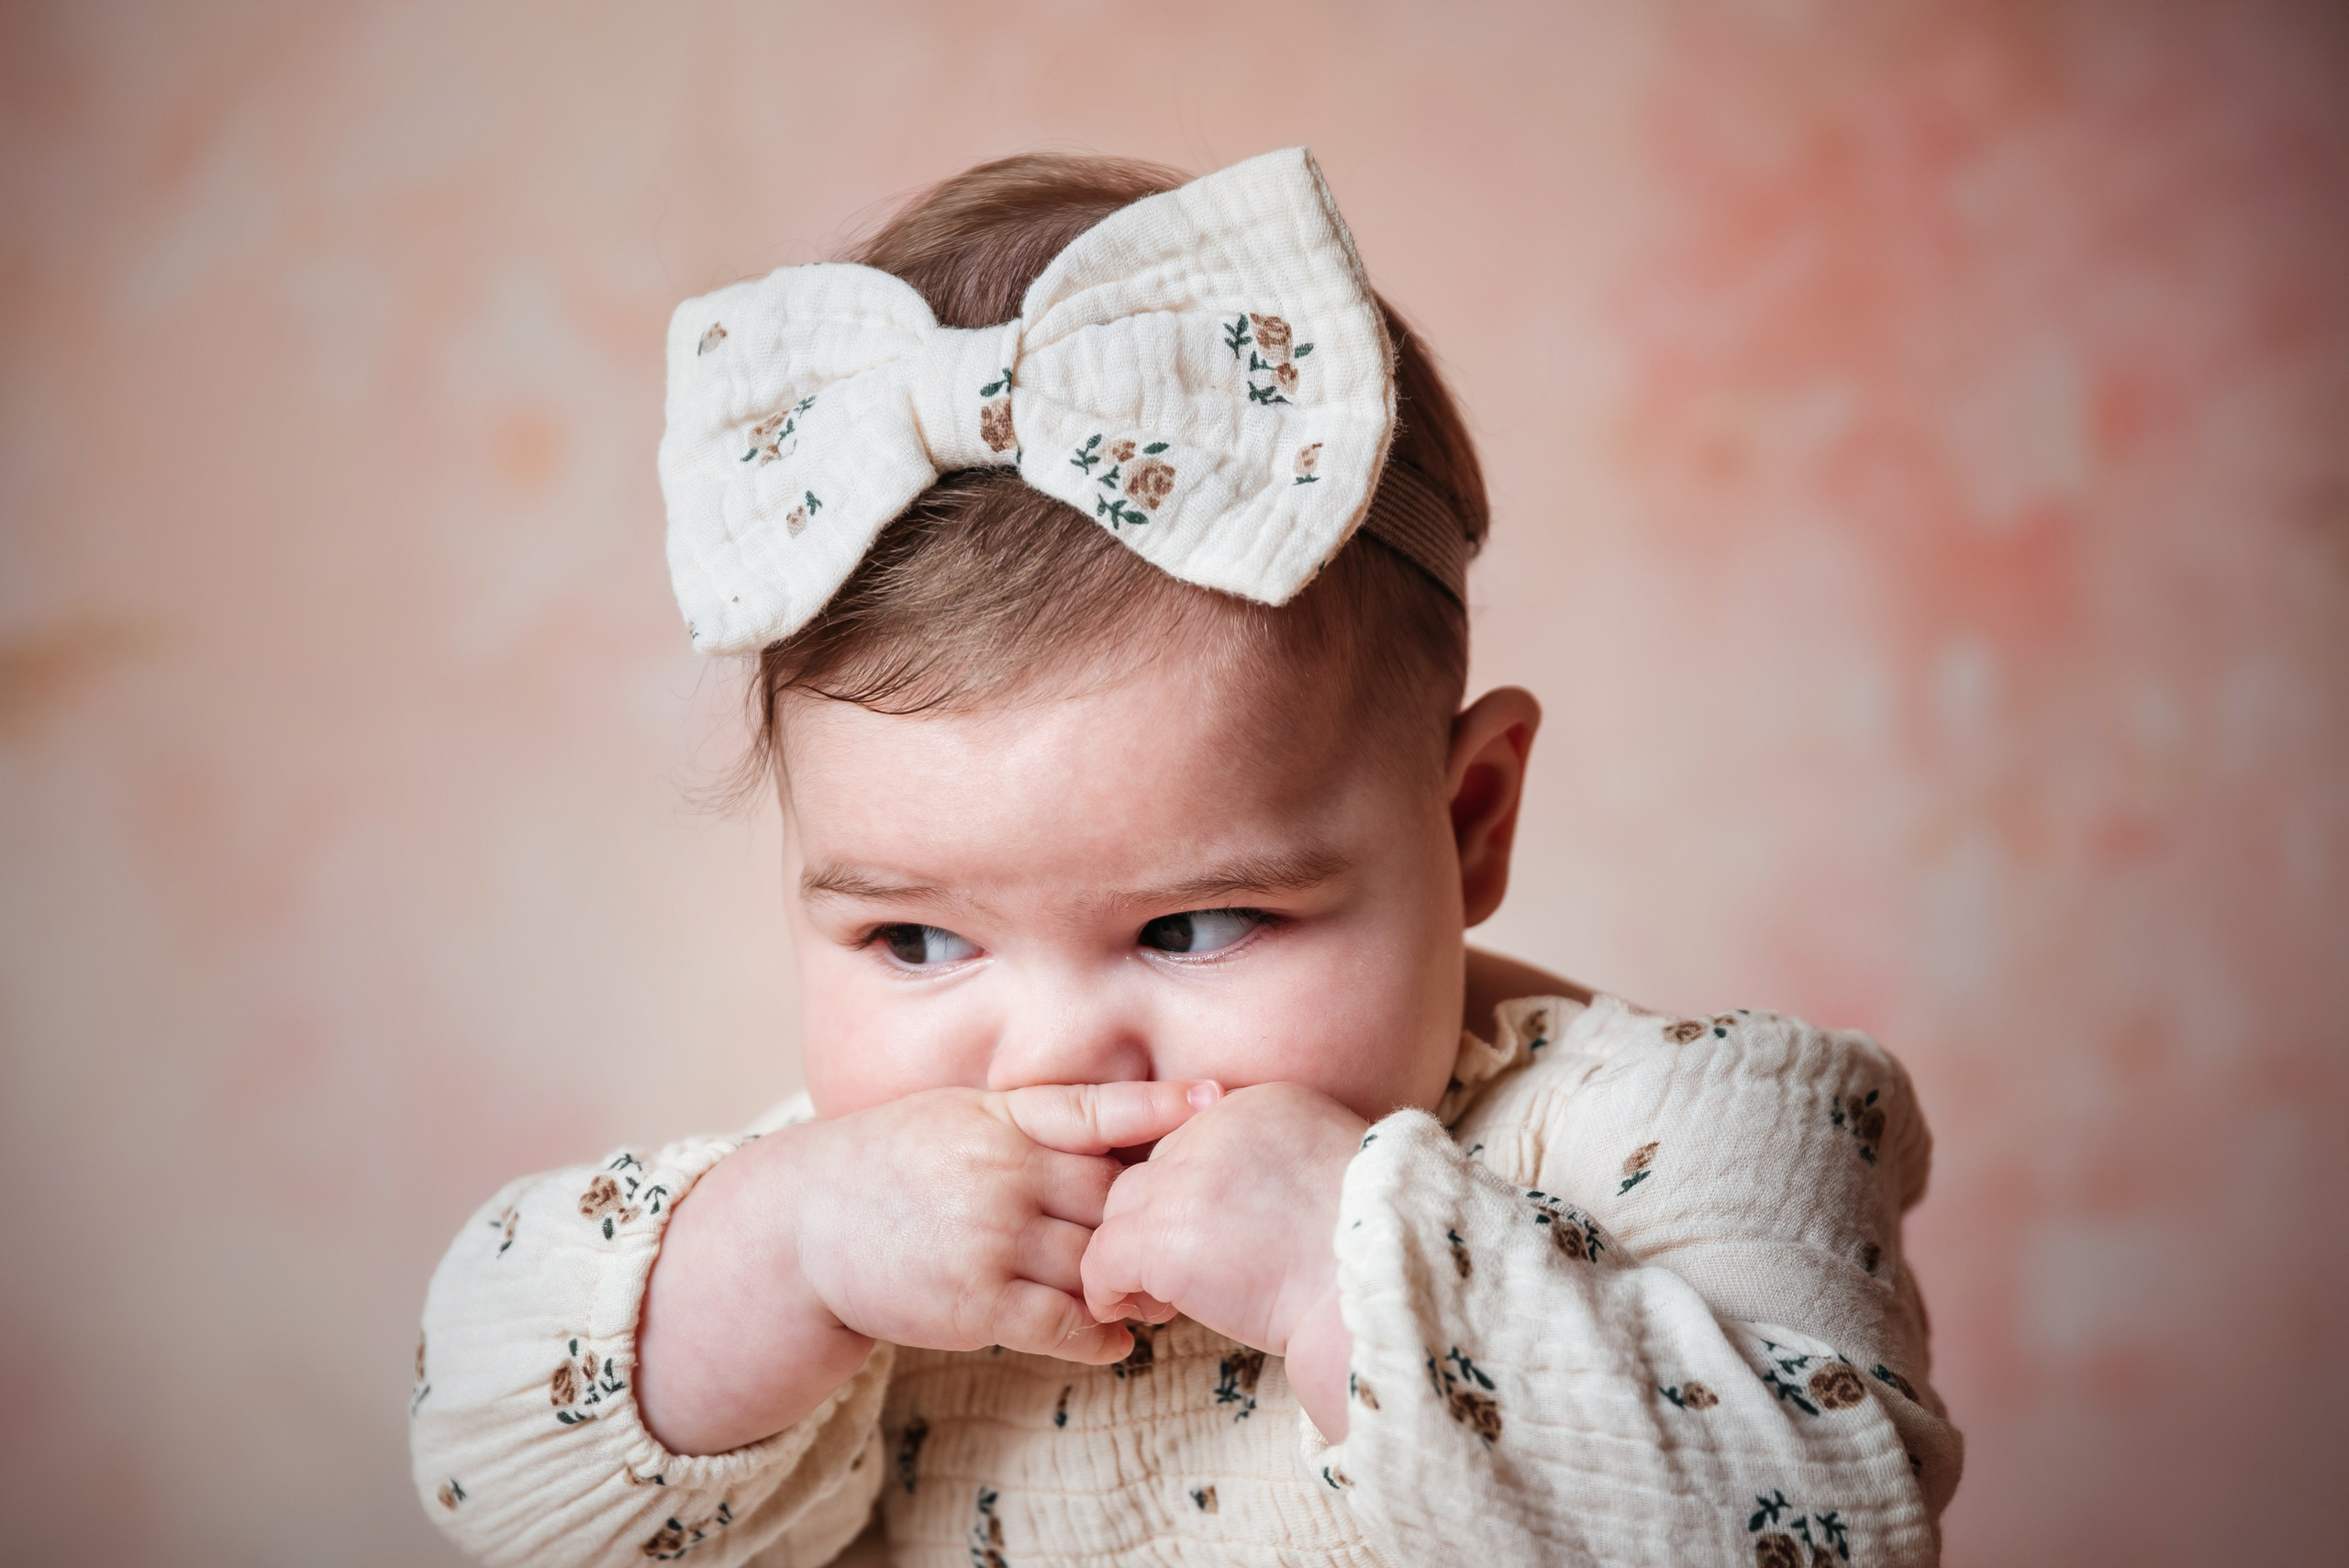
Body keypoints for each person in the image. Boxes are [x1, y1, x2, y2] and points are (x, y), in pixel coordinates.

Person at [408, 147, 1960, 1567]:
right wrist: (778, 1260)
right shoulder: (854, 1219)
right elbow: (486, 1459)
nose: (1049, 1057)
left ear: (1470, 818)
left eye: (1198, 923)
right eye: (915, 943)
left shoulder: (1674, 1140)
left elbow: (1829, 1520)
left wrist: (1352, 1274)